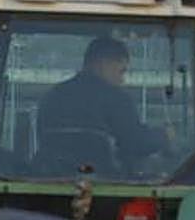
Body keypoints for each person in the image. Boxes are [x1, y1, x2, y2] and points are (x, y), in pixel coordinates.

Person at [38, 37, 165, 167]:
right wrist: (163, 136)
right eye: (121, 71)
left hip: (48, 177)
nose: (122, 80)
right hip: (104, 180)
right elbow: (135, 143)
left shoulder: (52, 97)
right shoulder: (117, 99)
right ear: (104, 64)